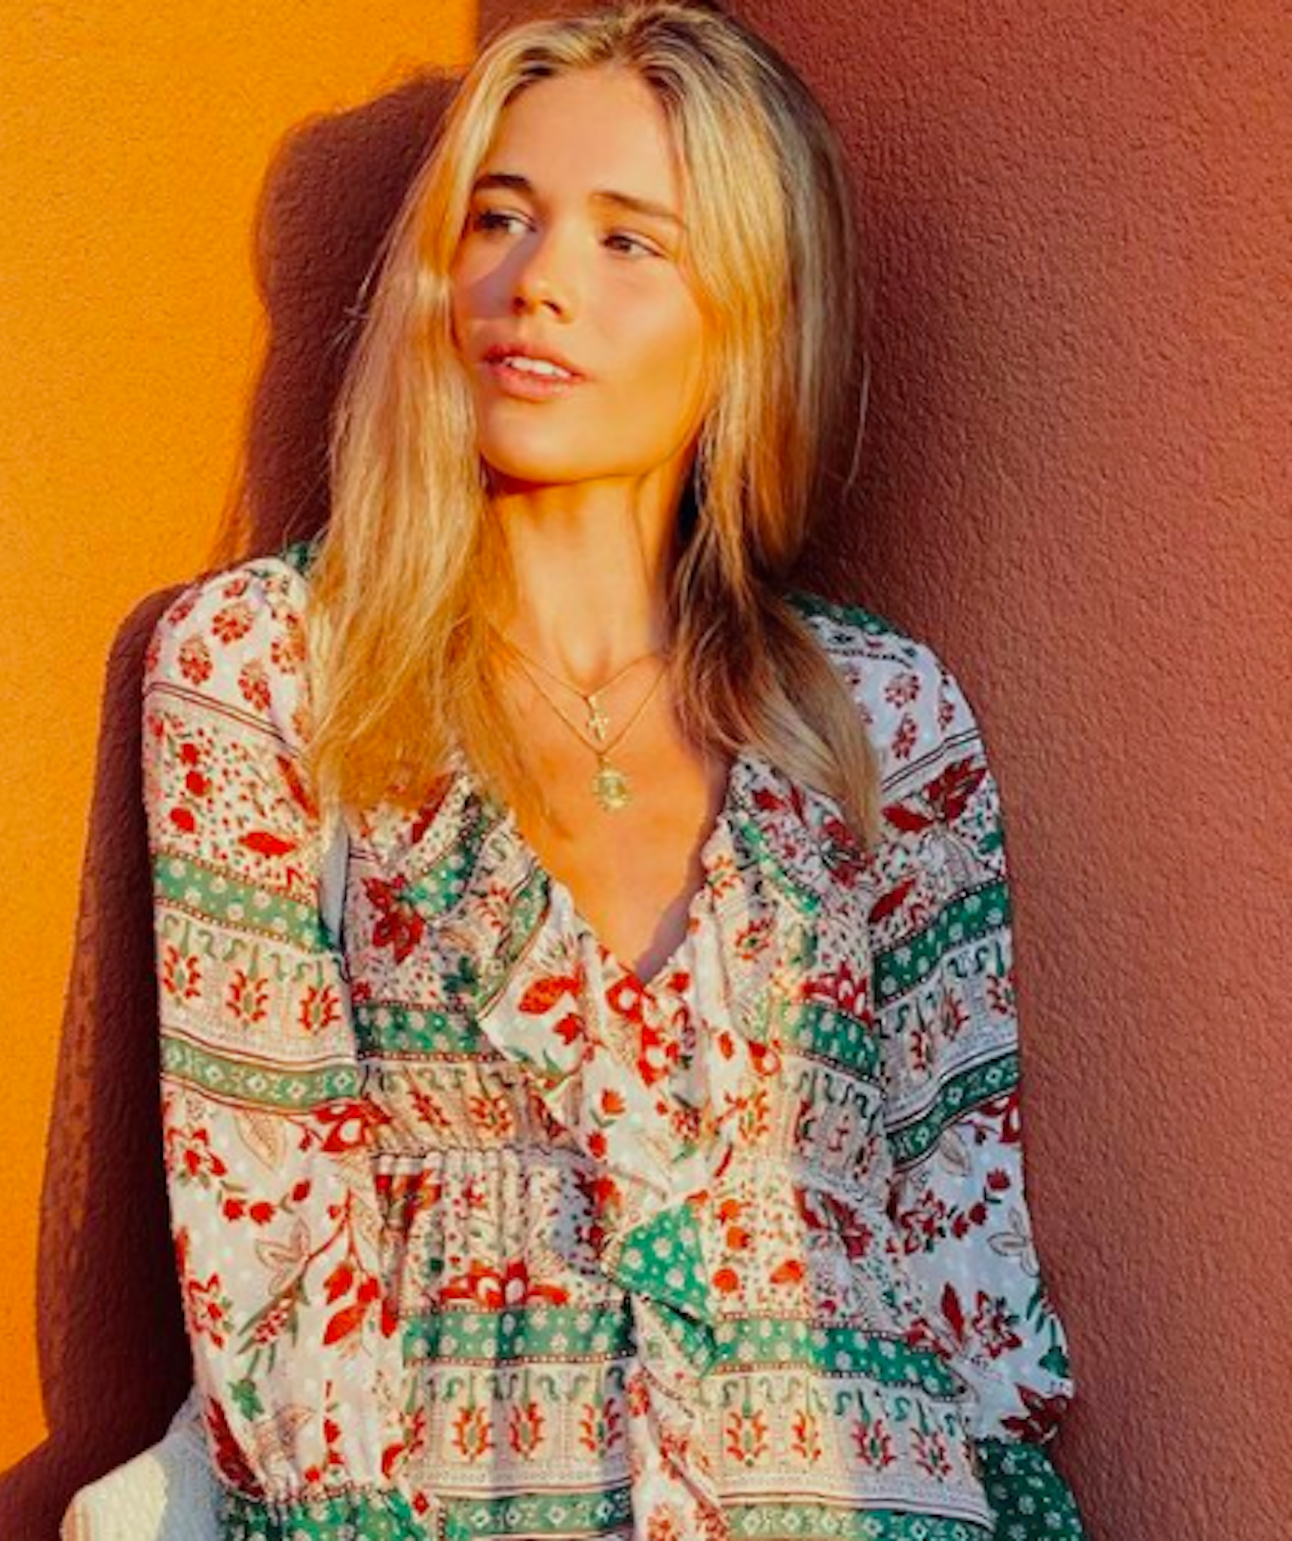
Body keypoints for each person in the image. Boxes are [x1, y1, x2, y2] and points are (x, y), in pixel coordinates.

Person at [64, 2, 1090, 1538]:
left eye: (629, 241)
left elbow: (965, 1261)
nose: (535, 283)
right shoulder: (270, 671)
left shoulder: (884, 717)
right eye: (500, 217)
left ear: (753, 314)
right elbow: (266, 1237)